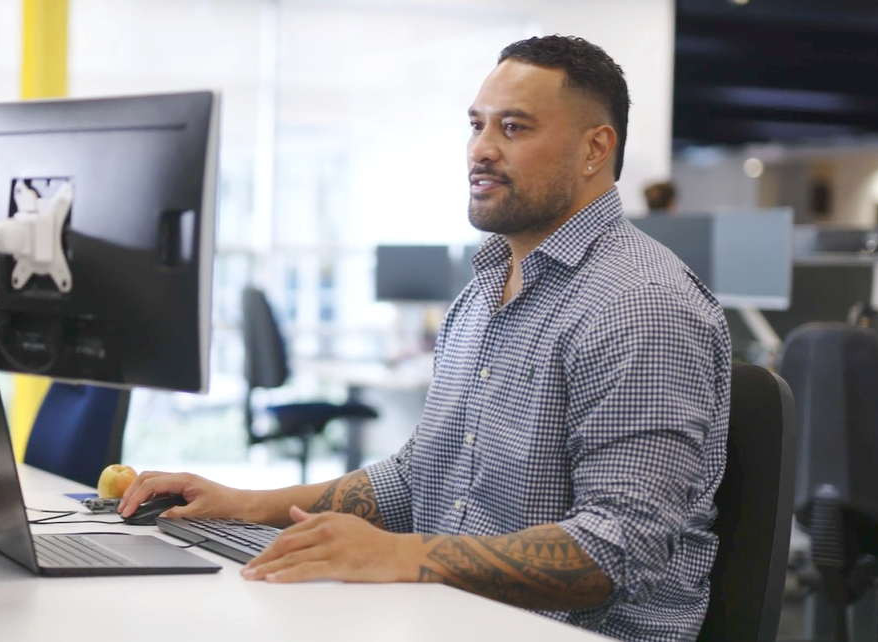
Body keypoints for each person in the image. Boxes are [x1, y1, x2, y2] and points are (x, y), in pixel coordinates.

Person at [120, 35, 731, 642]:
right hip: (451, 616)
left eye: (514, 128)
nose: (481, 151)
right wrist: (245, 503)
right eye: (476, 125)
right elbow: (420, 478)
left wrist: (403, 557)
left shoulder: (639, 305)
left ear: (595, 149)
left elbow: (620, 548)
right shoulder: (480, 298)